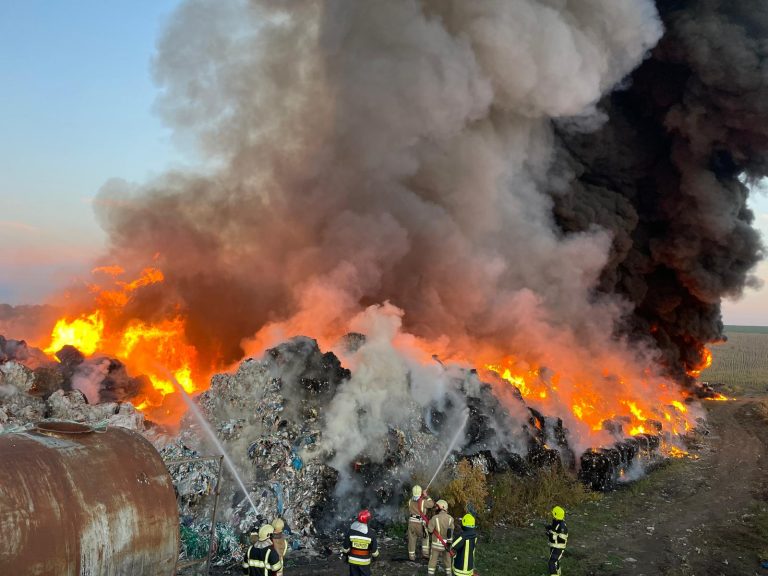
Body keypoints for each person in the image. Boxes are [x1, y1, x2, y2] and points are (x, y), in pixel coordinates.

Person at [342, 509, 380, 575]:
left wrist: (346, 556)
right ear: (368, 520)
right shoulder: (371, 534)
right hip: (364, 562)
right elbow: (374, 552)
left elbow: (345, 548)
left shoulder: (351, 531)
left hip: (352, 561)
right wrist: (375, 559)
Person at [427, 499, 454, 575]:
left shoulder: (435, 518)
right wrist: (449, 543)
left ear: (440, 507)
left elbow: (430, 530)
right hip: (447, 546)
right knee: (448, 560)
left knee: (433, 560)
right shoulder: (450, 519)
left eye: (436, 507)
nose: (435, 508)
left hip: (436, 545)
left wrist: (429, 524)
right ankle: (449, 573)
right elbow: (451, 531)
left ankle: (430, 574)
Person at [407, 484, 434, 561]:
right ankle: (425, 554)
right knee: (425, 537)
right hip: (420, 524)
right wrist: (426, 495)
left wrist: (422, 496)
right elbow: (432, 504)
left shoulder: (409, 501)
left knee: (412, 539)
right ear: (420, 492)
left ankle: (411, 556)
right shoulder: (423, 502)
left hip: (411, 523)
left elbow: (415, 500)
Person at [546, 506, 569, 576]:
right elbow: (554, 530)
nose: (552, 515)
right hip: (554, 545)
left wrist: (550, 535)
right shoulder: (556, 522)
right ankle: (558, 574)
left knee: (552, 563)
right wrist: (549, 528)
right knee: (555, 561)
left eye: (553, 514)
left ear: (556, 515)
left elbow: (562, 540)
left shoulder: (562, 526)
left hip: (559, 547)